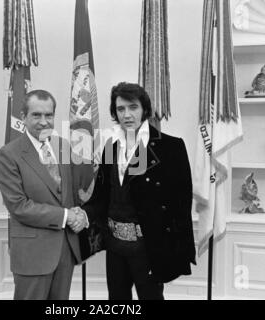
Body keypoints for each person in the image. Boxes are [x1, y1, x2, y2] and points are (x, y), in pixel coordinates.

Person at [82, 82, 196, 300]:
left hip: (150, 246)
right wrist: (81, 214)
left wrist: (178, 250)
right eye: (120, 109)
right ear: (115, 113)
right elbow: (101, 197)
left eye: (133, 107)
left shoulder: (171, 147)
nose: (127, 114)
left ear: (144, 109)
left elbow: (181, 204)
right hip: (115, 246)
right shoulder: (110, 148)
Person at [0, 89, 88, 300]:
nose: (43, 121)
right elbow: (18, 206)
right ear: (23, 117)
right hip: (32, 254)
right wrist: (66, 216)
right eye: (36, 115)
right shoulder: (8, 154)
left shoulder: (63, 146)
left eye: (48, 115)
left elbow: (69, 195)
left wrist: (79, 213)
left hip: (65, 250)